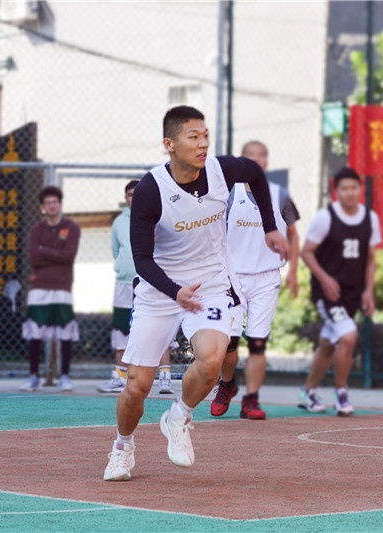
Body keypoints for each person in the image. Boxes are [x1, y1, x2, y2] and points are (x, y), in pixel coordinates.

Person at [103, 106, 288, 481]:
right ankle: (123, 447)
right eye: (193, 136)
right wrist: (175, 292)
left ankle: (179, 417)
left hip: (210, 285)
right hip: (160, 290)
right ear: (169, 144)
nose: (203, 143)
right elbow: (142, 260)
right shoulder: (152, 190)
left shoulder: (221, 171)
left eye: (205, 135)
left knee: (212, 357)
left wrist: (270, 227)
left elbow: (254, 173)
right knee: (136, 386)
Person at [211, 141, 301, 420]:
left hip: (266, 277)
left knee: (257, 343)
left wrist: (294, 271)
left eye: (262, 156)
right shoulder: (228, 194)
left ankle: (251, 399)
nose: (257, 161)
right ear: (242, 161)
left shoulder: (280, 195)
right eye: (251, 156)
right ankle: (227, 384)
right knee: (228, 343)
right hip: (232, 278)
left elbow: (293, 234)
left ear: (267, 162)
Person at [296, 167, 380, 416]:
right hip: (328, 293)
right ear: (336, 191)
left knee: (327, 344)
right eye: (344, 188)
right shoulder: (326, 217)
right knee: (348, 336)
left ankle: (308, 393)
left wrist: (369, 291)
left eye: (353, 188)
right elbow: (306, 252)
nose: (349, 193)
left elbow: (371, 259)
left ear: (360, 190)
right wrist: (325, 279)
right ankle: (341, 394)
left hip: (352, 293)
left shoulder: (370, 218)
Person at [98, 180, 174, 395]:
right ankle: (119, 377)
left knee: (159, 328)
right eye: (130, 194)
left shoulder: (158, 216)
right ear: (126, 198)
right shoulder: (119, 222)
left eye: (137, 193)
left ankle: (165, 378)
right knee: (122, 330)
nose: (134, 197)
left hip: (153, 282)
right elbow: (116, 251)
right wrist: (125, 268)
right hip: (125, 283)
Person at [20, 186, 81, 392]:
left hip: (63, 287)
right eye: (48, 203)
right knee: (35, 333)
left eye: (55, 202)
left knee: (65, 333)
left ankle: (64, 376)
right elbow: (33, 258)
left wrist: (44, 250)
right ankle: (33, 376)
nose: (52, 206)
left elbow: (69, 256)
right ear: (42, 207)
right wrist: (56, 254)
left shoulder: (71, 227)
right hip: (39, 288)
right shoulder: (36, 230)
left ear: (60, 204)